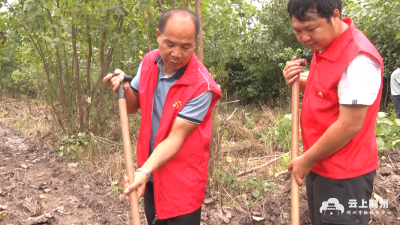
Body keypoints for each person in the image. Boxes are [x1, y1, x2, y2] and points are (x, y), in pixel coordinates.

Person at [103, 8, 221, 225]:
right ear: (158, 35)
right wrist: (124, 88)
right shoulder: (149, 62)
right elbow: (132, 106)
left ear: (195, 43)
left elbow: (176, 138)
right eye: (170, 44)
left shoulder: (202, 86)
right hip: (149, 174)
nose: (177, 53)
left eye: (186, 47)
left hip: (182, 181)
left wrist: (144, 171)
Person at [282, 0, 383, 224]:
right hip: (321, 162)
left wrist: (306, 159)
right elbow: (326, 87)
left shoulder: (358, 58)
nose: (305, 38)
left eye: (311, 29)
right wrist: (299, 79)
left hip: (344, 175)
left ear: (335, 15)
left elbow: (350, 124)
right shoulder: (327, 44)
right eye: (298, 30)